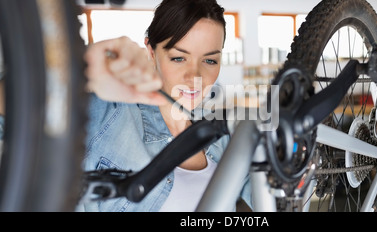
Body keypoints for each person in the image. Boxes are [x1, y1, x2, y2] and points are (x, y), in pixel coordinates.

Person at [77, 0, 252, 212]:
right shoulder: (109, 115)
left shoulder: (223, 136)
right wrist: (88, 67)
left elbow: (275, 195)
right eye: (179, 58)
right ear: (151, 52)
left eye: (210, 61)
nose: (194, 75)